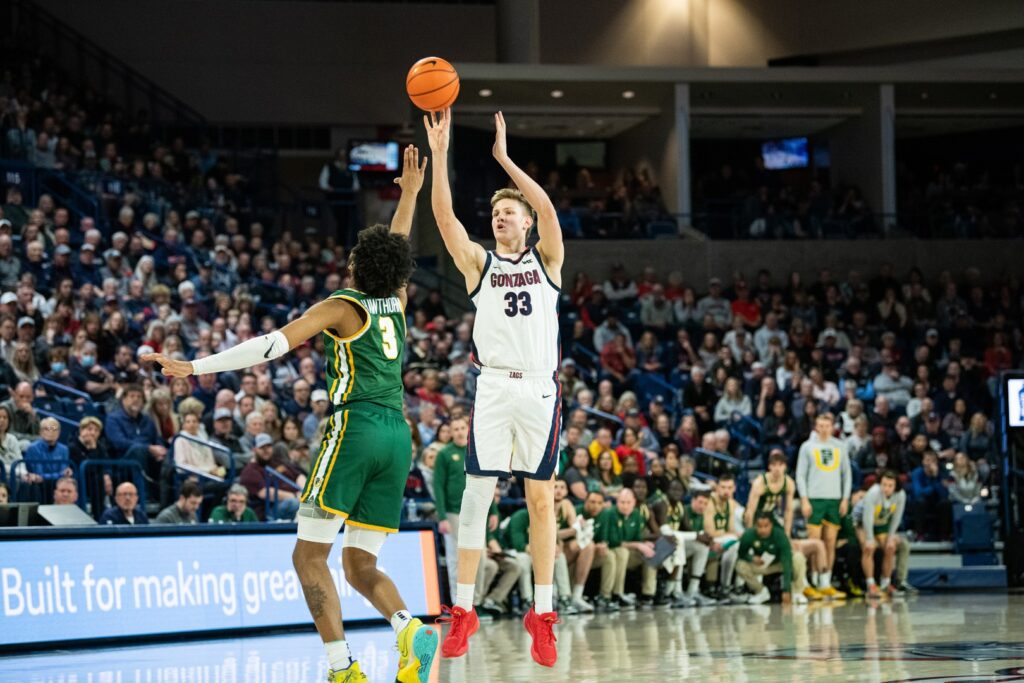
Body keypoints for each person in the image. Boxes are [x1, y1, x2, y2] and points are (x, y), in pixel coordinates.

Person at [144, 145, 436, 683]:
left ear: (355, 265)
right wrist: (410, 194)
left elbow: (271, 347)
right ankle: (407, 628)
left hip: (357, 429)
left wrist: (194, 365)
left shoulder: (341, 306)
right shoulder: (395, 299)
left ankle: (342, 667)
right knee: (360, 564)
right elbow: (396, 248)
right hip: (399, 437)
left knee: (308, 558)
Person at [427, 108, 563, 666]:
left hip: (539, 390)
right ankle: (462, 611)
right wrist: (441, 157)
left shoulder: (549, 259)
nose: (499, 216)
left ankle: (543, 614)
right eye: (496, 210)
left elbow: (549, 208)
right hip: (494, 388)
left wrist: (505, 160)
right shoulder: (478, 265)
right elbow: (444, 218)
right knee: (475, 497)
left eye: (509, 211)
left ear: (526, 222)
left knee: (540, 501)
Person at [745, 450, 826, 602]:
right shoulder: (759, 483)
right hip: (757, 517)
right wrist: (750, 533)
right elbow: (750, 510)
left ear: (785, 467)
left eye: (780, 465)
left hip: (771, 517)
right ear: (769, 467)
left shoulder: (788, 482)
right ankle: (759, 588)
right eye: (774, 465)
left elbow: (788, 511)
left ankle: (799, 587)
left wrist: (787, 533)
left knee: (789, 546)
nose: (777, 468)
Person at [434, 416, 489, 600]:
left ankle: (477, 601)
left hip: (477, 512)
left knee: (481, 557)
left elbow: (487, 482)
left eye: (462, 428)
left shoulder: (477, 451)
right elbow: (438, 486)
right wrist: (442, 516)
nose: (459, 432)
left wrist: (494, 511)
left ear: (468, 429)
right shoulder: (445, 454)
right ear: (450, 432)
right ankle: (459, 603)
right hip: (453, 512)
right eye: (455, 429)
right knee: (456, 558)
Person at [796, 412, 850, 599]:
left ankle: (826, 581)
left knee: (830, 543)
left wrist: (845, 498)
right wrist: (804, 499)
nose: (824, 429)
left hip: (834, 499)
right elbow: (800, 475)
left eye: (827, 426)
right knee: (814, 543)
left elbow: (847, 474)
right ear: (816, 427)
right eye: (821, 425)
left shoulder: (840, 447)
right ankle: (813, 580)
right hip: (815, 499)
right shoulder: (807, 447)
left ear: (833, 426)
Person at [735, 513, 807, 605]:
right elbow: (741, 554)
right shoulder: (748, 535)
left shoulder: (780, 535)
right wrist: (751, 558)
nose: (763, 529)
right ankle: (760, 591)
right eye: (759, 526)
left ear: (771, 525)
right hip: (762, 565)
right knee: (740, 565)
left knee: (798, 557)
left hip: (779, 564)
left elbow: (787, 562)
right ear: (755, 525)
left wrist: (786, 590)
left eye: (766, 526)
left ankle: (797, 592)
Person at [855, 471, 906, 598]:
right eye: (884, 485)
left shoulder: (900, 495)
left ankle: (886, 583)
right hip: (861, 521)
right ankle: (871, 584)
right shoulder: (873, 493)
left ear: (895, 487)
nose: (886, 488)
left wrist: (890, 537)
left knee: (890, 547)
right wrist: (870, 539)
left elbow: (896, 518)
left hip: (881, 522)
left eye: (890, 485)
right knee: (869, 548)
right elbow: (867, 518)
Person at [703, 473, 742, 602]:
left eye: (729, 488)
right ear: (717, 488)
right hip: (707, 541)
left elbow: (730, 528)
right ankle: (725, 586)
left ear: (734, 489)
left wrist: (737, 534)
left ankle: (739, 586)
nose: (726, 491)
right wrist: (730, 534)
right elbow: (710, 532)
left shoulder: (730, 503)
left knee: (743, 543)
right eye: (723, 487)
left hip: (722, 539)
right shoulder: (710, 502)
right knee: (734, 543)